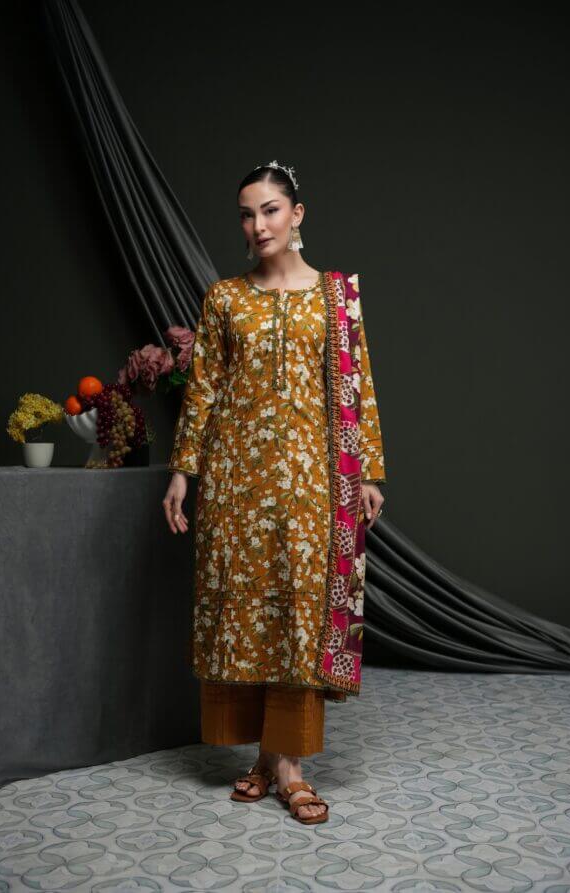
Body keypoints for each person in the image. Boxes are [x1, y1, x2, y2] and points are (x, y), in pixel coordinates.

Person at [162, 160, 386, 824]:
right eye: (246, 213)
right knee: (246, 612)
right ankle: (268, 760)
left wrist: (368, 471)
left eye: (269, 210)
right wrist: (183, 471)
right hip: (236, 479)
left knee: (299, 611)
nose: (257, 225)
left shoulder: (333, 296)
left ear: (296, 214)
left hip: (313, 481)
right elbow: (204, 389)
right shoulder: (224, 298)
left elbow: (358, 381)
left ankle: (287, 765)